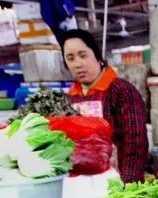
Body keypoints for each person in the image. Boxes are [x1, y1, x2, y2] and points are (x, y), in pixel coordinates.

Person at [61, 29, 149, 183]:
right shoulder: (69, 97)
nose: (78, 64)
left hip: (118, 181)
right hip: (81, 184)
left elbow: (135, 143)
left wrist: (128, 186)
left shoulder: (121, 91)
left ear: (97, 56)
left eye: (83, 55)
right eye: (70, 58)